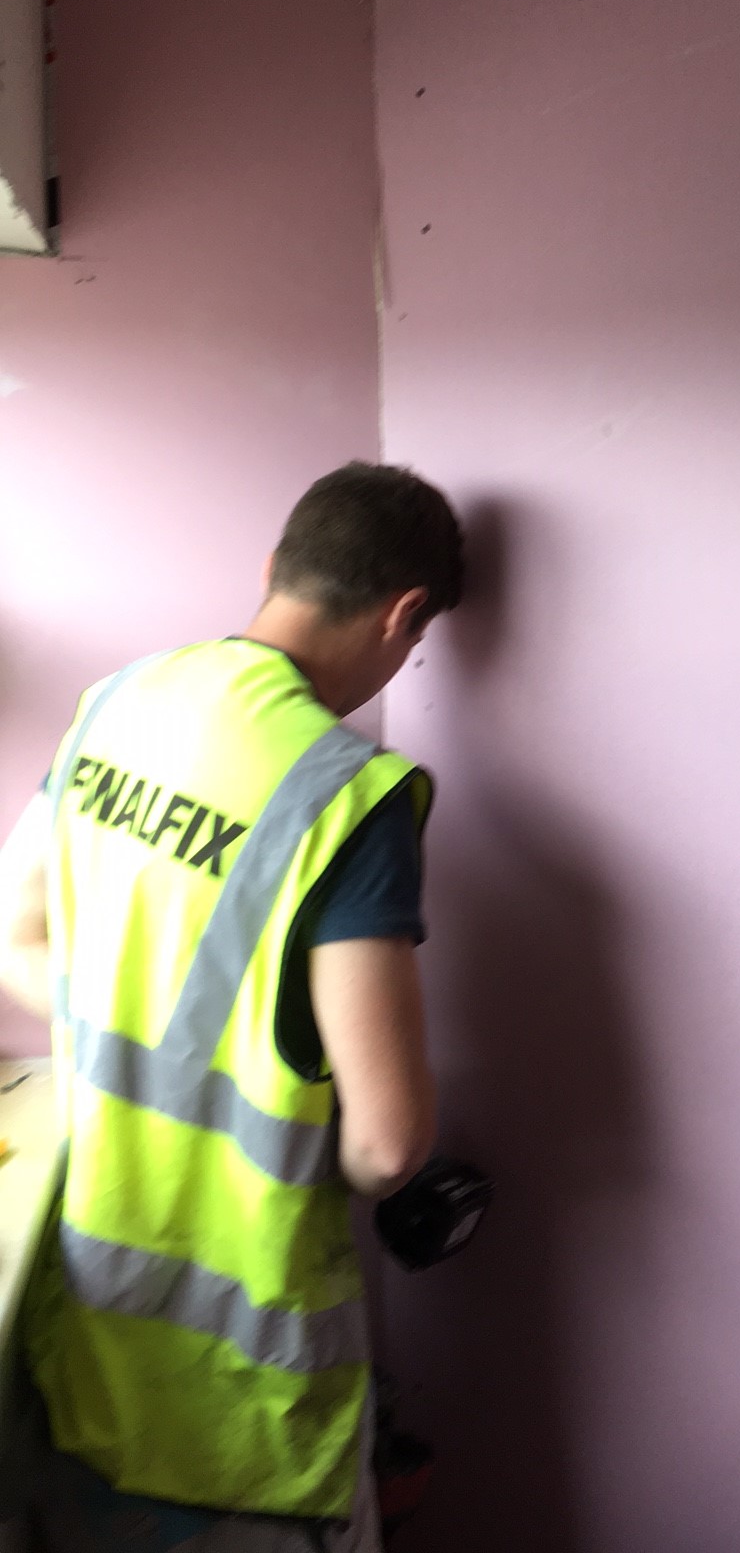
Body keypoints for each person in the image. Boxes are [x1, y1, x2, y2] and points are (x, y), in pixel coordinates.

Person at [0, 461, 463, 1552]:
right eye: (416, 640)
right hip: (247, 1408)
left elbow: (17, 937)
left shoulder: (118, 700)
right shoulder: (344, 794)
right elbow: (389, 1145)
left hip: (89, 1338)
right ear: (404, 615)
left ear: (274, 568)